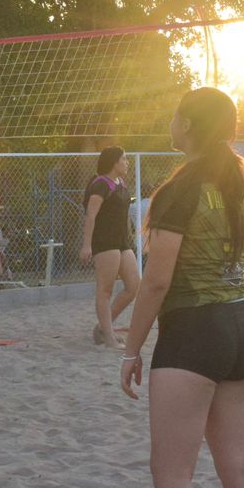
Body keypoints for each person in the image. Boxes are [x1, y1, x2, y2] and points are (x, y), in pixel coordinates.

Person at [119, 88, 244, 488]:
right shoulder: (237, 183)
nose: (169, 122)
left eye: (175, 115)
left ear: (189, 126)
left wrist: (132, 348)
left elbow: (156, 279)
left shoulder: (182, 188)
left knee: (172, 474)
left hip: (194, 333)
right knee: (240, 468)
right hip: (241, 326)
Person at [81, 147, 140, 347]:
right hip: (105, 242)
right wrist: (86, 245)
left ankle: (102, 328)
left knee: (133, 286)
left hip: (123, 241)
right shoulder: (100, 184)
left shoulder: (121, 183)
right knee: (105, 290)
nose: (127, 162)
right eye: (124, 159)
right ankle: (109, 336)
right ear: (113, 162)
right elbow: (90, 216)